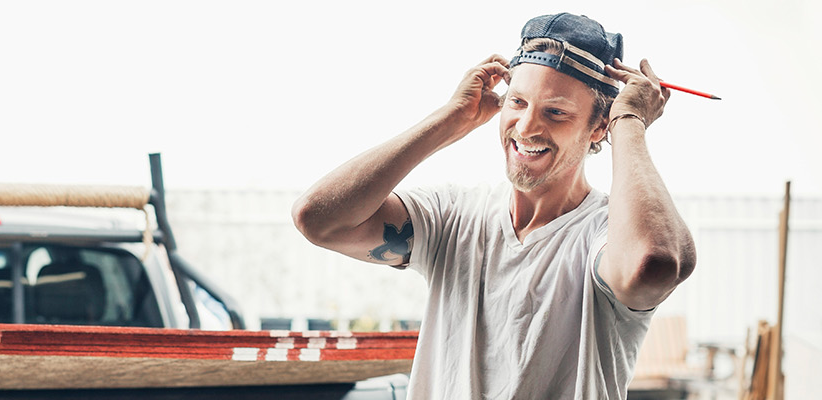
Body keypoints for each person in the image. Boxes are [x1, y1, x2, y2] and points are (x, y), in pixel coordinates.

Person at [291, 13, 696, 399]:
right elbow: (319, 219)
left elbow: (653, 264)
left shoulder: (604, 234)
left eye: (555, 112)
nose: (526, 128)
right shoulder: (453, 217)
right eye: (517, 102)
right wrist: (452, 119)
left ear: (598, 127)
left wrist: (630, 122)